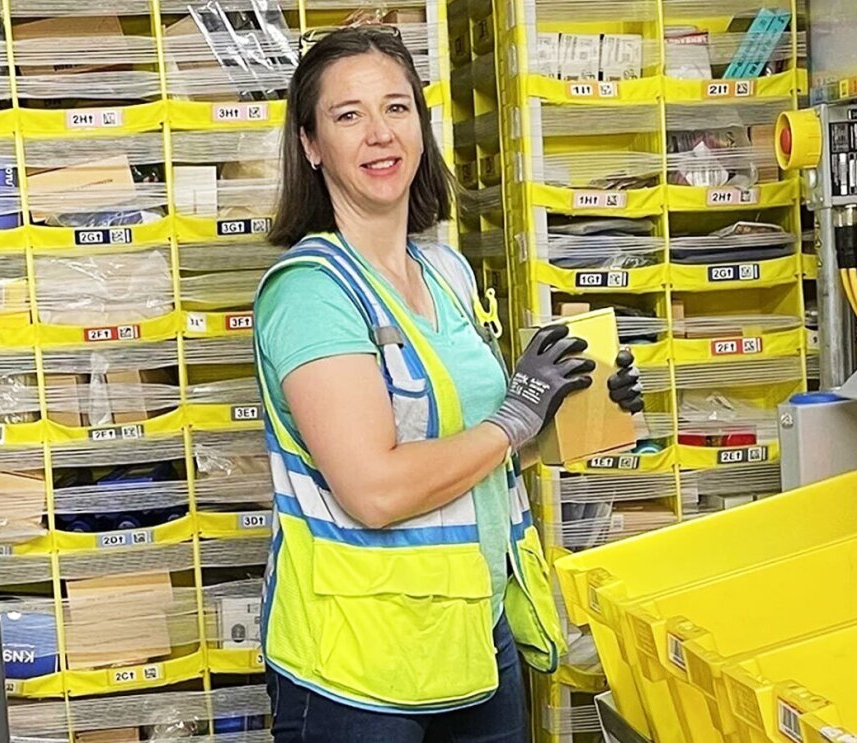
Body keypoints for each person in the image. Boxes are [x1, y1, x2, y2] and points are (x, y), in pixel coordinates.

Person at [251, 26, 645, 742]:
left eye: (397, 108)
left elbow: (470, 455)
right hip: (358, 665)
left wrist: (568, 414)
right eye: (349, 115)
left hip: (472, 633)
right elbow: (374, 491)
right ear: (310, 144)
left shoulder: (447, 272)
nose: (380, 134)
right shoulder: (311, 293)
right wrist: (514, 418)